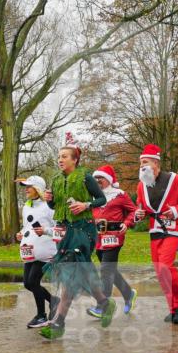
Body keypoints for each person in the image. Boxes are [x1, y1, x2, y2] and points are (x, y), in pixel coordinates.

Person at [40, 136, 117, 339]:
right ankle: (104, 303)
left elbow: (101, 199)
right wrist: (49, 200)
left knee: (71, 273)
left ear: (75, 159)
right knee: (79, 273)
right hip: (65, 231)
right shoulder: (56, 180)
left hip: (84, 231)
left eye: (64, 156)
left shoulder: (85, 177)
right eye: (59, 156)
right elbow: (55, 206)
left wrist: (85, 205)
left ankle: (58, 323)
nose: (60, 159)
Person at [133, 144, 178, 324]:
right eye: (140, 163)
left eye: (145, 162)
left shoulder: (174, 179)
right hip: (155, 230)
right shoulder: (141, 185)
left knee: (165, 267)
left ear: (156, 163)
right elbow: (141, 206)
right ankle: (174, 308)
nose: (142, 166)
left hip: (172, 229)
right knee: (160, 272)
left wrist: (176, 210)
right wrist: (139, 214)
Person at [87, 165, 138, 317]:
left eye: (100, 178)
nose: (97, 181)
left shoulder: (119, 195)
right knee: (110, 270)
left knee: (105, 270)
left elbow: (134, 210)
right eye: (95, 178)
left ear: (108, 180)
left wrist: (127, 223)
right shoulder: (93, 197)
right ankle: (128, 294)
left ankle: (103, 306)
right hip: (98, 237)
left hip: (114, 235)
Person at [15, 175, 57, 328]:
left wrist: (45, 231)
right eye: (25, 187)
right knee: (28, 283)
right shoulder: (27, 206)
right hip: (30, 250)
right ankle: (54, 301)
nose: (26, 189)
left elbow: (59, 228)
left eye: (29, 187)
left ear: (38, 189)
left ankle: (41, 315)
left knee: (33, 281)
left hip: (45, 251)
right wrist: (20, 233)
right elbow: (27, 226)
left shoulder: (50, 206)